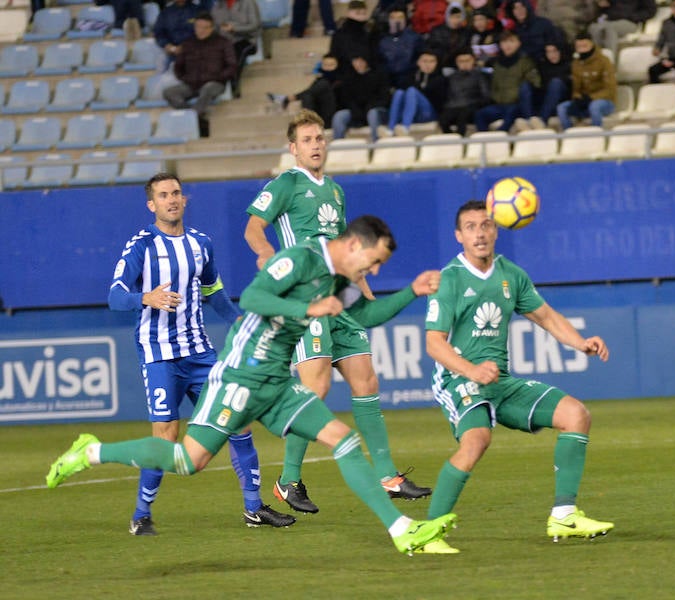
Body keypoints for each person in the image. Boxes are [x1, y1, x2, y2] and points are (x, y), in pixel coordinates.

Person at [46, 216, 458, 556]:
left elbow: (366, 314)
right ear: (353, 245)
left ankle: (402, 530)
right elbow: (255, 299)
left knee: (344, 440)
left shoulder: (340, 282)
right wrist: (307, 308)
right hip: (241, 377)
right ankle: (92, 451)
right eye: (375, 260)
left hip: (277, 383)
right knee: (189, 461)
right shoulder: (300, 259)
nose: (375, 271)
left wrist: (412, 292)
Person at [244, 109, 434, 515]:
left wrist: (364, 293)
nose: (316, 145)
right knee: (316, 390)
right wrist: (267, 256)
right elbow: (254, 228)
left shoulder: (335, 191)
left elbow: (351, 253)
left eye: (320, 138)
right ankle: (288, 480)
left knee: (366, 379)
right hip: (307, 301)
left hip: (341, 299)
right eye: (308, 140)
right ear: (293, 148)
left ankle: (387, 476)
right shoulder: (285, 184)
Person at [417, 199, 614, 554]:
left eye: (486, 225)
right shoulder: (449, 279)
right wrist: (472, 370)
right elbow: (434, 344)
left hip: (500, 381)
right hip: (458, 378)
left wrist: (581, 343)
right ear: (458, 236)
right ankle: (428, 533)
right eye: (471, 227)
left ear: (496, 230)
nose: (480, 233)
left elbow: (547, 317)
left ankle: (565, 516)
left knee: (576, 415)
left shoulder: (511, 274)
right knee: (476, 439)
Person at [105, 172, 295, 535]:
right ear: (152, 204)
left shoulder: (201, 244)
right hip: (160, 355)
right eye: (163, 195)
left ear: (184, 199)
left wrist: (243, 322)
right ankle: (141, 515)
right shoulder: (141, 245)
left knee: (237, 422)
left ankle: (254, 508)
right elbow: (115, 295)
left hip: (200, 354)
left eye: (176, 192)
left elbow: (213, 292)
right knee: (166, 434)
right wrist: (146, 297)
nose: (172, 199)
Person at [163, 12, 237, 138]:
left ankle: (191, 119)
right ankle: (196, 117)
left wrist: (219, 77)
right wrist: (184, 78)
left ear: (212, 28)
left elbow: (232, 66)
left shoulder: (223, 43)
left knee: (207, 89)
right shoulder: (188, 44)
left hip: (215, 82)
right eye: (198, 27)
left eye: (204, 27)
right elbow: (178, 66)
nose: (200, 30)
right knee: (169, 92)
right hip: (191, 84)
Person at [473, 30, 541, 132]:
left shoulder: (526, 61)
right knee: (480, 114)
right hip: (500, 104)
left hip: (517, 105)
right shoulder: (497, 63)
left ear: (518, 43)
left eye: (511, 41)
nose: (507, 45)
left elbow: (535, 83)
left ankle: (499, 139)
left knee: (510, 115)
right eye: (504, 42)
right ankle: (486, 141)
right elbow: (493, 85)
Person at [557, 32, 616, 130]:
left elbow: (610, 89)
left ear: (591, 44)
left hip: (605, 101)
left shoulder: (604, 61)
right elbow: (576, 89)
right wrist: (578, 98)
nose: (582, 49)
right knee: (561, 108)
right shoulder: (576, 64)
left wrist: (591, 98)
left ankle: (597, 134)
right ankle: (569, 134)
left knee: (594, 107)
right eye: (579, 47)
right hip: (585, 101)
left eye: (585, 46)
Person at [331, 54, 393, 140]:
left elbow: (385, 97)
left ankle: (376, 144)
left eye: (361, 61)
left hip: (376, 110)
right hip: (357, 112)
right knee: (339, 116)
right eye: (355, 61)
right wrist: (356, 110)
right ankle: (337, 146)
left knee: (373, 114)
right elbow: (347, 99)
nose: (358, 64)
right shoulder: (349, 77)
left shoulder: (378, 75)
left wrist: (369, 107)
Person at [267, 54, 342, 125]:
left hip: (335, 115)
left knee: (323, 84)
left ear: (337, 65)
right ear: (321, 65)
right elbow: (310, 93)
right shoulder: (319, 80)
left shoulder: (341, 80)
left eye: (331, 65)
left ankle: (288, 98)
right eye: (325, 65)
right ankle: (309, 123)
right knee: (307, 96)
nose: (328, 68)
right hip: (320, 114)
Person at [386, 49, 447, 136]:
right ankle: (390, 129)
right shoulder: (412, 76)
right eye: (425, 61)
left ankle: (405, 127)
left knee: (412, 91)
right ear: (418, 62)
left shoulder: (440, 79)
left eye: (432, 61)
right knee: (399, 92)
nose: (428, 65)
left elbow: (439, 101)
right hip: (412, 112)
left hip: (429, 113)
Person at [210, 0, 261, 98]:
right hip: (225, 42)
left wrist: (235, 28)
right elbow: (214, 27)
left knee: (236, 54)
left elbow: (255, 25)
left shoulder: (248, 3)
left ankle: (234, 86)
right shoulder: (217, 6)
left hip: (246, 39)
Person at [439, 49, 491, 134]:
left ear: (473, 61)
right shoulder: (451, 78)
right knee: (443, 120)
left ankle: (461, 141)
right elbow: (447, 95)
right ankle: (452, 139)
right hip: (453, 105)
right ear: (457, 63)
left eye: (467, 60)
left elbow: (485, 94)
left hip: (472, 104)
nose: (464, 63)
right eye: (461, 61)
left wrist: (478, 103)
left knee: (462, 117)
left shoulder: (480, 76)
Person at [329, 0, 381, 78]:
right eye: (357, 13)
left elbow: (376, 53)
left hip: (369, 72)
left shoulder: (372, 32)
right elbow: (335, 55)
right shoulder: (340, 34)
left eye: (364, 14)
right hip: (346, 74)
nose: (361, 17)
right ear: (349, 13)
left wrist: (365, 63)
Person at [588, 0, 657, 57]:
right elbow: (603, 11)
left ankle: (610, 65)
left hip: (629, 22)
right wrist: (601, 5)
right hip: (607, 18)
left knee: (609, 29)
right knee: (593, 27)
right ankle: (595, 63)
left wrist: (633, 17)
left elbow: (651, 11)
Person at [377, 6, 424, 89]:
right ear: (388, 20)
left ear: (405, 19)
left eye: (400, 17)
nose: (397, 20)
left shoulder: (414, 38)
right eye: (393, 17)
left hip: (408, 78)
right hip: (386, 79)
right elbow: (379, 60)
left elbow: (419, 58)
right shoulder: (382, 39)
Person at [153, 0, 202, 72]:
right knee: (161, 59)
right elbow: (159, 33)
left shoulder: (198, 10)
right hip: (172, 50)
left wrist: (187, 46)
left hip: (193, 50)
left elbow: (203, 32)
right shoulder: (166, 12)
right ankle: (163, 81)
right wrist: (167, 45)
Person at [532, 41, 570, 128]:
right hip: (546, 102)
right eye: (548, 52)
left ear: (560, 51)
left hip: (564, 102)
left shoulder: (569, 65)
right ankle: (531, 120)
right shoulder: (542, 67)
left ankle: (542, 121)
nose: (552, 54)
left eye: (554, 51)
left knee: (555, 83)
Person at [426, 2, 472, 70]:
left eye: (458, 17)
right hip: (439, 65)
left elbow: (467, 50)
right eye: (452, 17)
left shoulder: (466, 32)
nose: (455, 20)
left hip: (459, 66)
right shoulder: (437, 31)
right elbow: (431, 49)